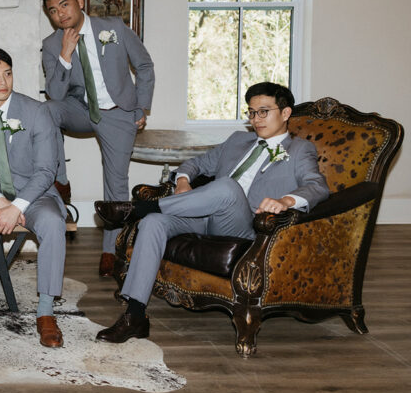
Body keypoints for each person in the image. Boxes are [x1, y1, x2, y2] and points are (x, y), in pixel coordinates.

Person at [93, 82, 328, 343]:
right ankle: (135, 316)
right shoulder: (238, 140)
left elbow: (317, 186)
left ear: (285, 113)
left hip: (246, 225)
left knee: (227, 186)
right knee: (153, 223)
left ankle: (135, 208)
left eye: (263, 112)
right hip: (204, 216)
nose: (256, 119)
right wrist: (183, 181)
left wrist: (284, 201)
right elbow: (195, 163)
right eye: (251, 112)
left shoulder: (300, 150)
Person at [40, 0, 155, 278]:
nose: (60, 14)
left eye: (64, 5)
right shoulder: (52, 44)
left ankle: (110, 251)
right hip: (80, 109)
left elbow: (144, 66)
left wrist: (142, 107)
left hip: (117, 113)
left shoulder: (113, 27)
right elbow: (54, 93)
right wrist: (65, 54)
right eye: (53, 11)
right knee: (47, 111)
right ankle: (60, 181)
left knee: (116, 185)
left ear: (79, 1)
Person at [0, 48, 68, 348]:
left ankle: (45, 312)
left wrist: (18, 206)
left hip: (35, 192)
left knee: (53, 224)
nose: (3, 80)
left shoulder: (37, 112)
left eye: (7, 73)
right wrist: (1, 203)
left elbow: (47, 169)